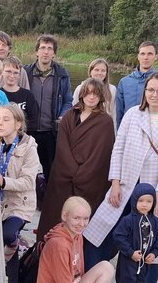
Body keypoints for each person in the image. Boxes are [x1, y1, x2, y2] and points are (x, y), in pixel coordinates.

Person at [83, 73, 158, 279]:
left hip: (155, 186)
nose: (155, 94)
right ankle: (88, 271)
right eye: (151, 90)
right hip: (127, 181)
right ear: (144, 92)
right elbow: (118, 148)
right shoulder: (132, 114)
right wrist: (115, 182)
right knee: (103, 226)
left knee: (147, 235)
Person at [38, 78, 115, 244]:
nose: (91, 97)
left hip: (88, 180)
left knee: (80, 221)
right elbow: (62, 146)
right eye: (88, 93)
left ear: (101, 96)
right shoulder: (70, 116)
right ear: (82, 94)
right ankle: (48, 250)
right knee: (56, 217)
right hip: (64, 176)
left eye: (95, 94)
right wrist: (71, 171)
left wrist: (82, 175)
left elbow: (101, 155)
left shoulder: (105, 122)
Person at [37, 196, 126, 283]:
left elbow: (79, 273)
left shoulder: (77, 236)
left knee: (106, 266)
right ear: (64, 216)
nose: (82, 224)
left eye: (86, 219)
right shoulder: (59, 245)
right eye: (76, 218)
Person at [0, 103, 39, 283]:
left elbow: (27, 181)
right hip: (0, 205)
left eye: (6, 120)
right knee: (0, 239)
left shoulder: (29, 149)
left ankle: (15, 244)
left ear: (18, 124)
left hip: (20, 204)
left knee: (8, 235)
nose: (0, 123)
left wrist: (3, 181)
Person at [23, 35, 73, 182]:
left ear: (54, 53)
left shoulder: (62, 74)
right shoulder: (25, 72)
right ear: (37, 52)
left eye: (49, 49)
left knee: (51, 169)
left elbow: (67, 100)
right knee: (27, 169)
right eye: (42, 48)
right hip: (28, 130)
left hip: (50, 132)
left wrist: (62, 116)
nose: (46, 52)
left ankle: (49, 201)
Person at [112, 184, 158, 283]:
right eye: (141, 201)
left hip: (145, 261)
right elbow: (118, 237)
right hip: (128, 260)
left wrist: (154, 253)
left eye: (149, 201)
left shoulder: (155, 221)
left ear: (153, 203)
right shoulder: (128, 220)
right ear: (134, 201)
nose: (145, 204)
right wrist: (130, 252)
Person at [115, 40, 158, 127]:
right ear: (138, 56)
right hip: (128, 130)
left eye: (150, 54)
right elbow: (119, 112)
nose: (146, 57)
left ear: (156, 57)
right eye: (142, 54)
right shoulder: (124, 82)